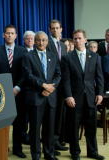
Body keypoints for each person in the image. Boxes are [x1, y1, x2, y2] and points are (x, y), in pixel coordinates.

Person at [61, 29, 104, 160]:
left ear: (85, 40)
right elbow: (65, 80)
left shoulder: (95, 56)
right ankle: (75, 152)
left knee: (91, 127)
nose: (77, 41)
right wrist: (68, 96)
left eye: (79, 38)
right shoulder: (67, 57)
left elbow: (99, 77)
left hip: (91, 98)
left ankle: (92, 151)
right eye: (75, 38)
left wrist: (100, 94)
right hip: (74, 98)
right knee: (74, 127)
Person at [22, 31, 61, 160]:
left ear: (47, 41)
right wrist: (44, 85)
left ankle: (49, 154)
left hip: (50, 98)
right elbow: (28, 75)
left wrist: (50, 89)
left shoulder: (53, 56)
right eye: (38, 40)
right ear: (34, 41)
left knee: (49, 129)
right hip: (35, 98)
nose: (41, 42)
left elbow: (58, 75)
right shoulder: (28, 56)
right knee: (34, 129)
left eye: (43, 40)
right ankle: (36, 155)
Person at [0, 25, 27, 158]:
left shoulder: (23, 51)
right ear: (3, 35)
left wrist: (17, 88)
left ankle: (17, 149)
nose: (10, 35)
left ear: (16, 36)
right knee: (2, 123)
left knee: (19, 123)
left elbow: (26, 73)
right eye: (7, 33)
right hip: (1, 93)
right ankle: (2, 147)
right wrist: (4, 88)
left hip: (19, 92)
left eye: (12, 33)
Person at [46, 19, 68, 155]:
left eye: (57, 28)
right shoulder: (46, 43)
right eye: (52, 28)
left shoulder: (64, 46)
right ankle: (50, 144)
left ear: (61, 29)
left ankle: (56, 140)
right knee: (50, 116)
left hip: (62, 86)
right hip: (51, 85)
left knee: (60, 114)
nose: (55, 30)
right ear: (49, 30)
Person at [21, 30, 35, 145]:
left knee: (34, 116)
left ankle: (32, 136)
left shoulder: (38, 52)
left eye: (31, 38)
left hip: (35, 88)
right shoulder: (20, 52)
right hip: (23, 89)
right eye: (27, 38)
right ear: (23, 40)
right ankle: (24, 136)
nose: (30, 40)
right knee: (24, 115)